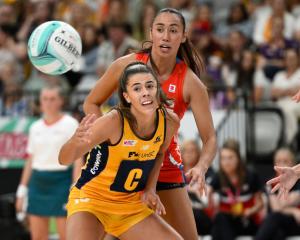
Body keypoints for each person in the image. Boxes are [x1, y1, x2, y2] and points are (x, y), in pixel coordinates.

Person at [83, 8, 217, 240]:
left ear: (183, 36)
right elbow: (91, 103)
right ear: (151, 33)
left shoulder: (191, 82)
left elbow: (210, 138)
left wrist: (201, 167)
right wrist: (108, 140)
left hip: (164, 165)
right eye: (160, 29)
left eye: (173, 30)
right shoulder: (126, 65)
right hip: (124, 165)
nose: (166, 36)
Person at [59, 62, 183, 240]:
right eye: (137, 88)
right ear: (127, 96)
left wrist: (150, 188)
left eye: (150, 86)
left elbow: (159, 153)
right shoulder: (113, 121)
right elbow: (64, 159)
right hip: (92, 201)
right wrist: (74, 141)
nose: (145, 92)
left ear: (158, 88)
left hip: (130, 206)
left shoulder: (170, 121)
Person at [15, 85, 81, 240]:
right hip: (38, 183)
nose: (48, 103)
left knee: (66, 236)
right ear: (40, 102)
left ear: (61, 101)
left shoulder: (70, 124)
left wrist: (76, 185)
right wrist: (22, 191)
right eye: (45, 99)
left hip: (62, 182)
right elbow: (30, 160)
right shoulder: (35, 127)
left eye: (52, 99)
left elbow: (78, 157)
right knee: (37, 236)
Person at [208, 139, 264, 240]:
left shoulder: (251, 175)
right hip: (227, 220)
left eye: (230, 158)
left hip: (246, 220)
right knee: (219, 220)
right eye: (223, 158)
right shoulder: (218, 176)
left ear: (238, 158)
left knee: (219, 225)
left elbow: (260, 203)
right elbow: (207, 194)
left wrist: (250, 211)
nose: (226, 162)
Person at [256, 148, 300, 240]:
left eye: (286, 161)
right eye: (279, 161)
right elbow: (277, 208)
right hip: (275, 224)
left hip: (293, 223)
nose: (282, 164)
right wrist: (293, 210)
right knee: (277, 233)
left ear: (293, 163)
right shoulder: (270, 182)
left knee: (274, 218)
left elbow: (280, 205)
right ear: (274, 164)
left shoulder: (298, 183)